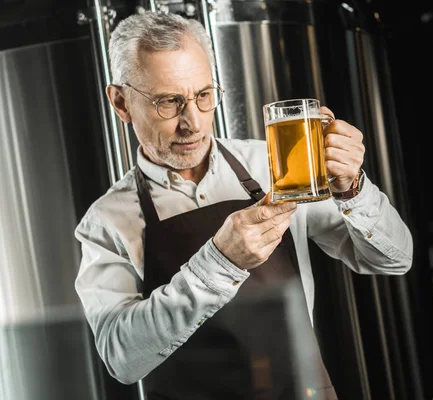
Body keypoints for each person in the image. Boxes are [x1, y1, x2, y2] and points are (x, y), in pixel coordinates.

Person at [74, 11, 413, 400]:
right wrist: (220, 262)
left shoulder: (275, 167)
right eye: (169, 102)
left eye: (203, 96)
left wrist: (353, 189)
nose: (194, 122)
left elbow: (395, 260)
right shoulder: (106, 221)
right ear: (121, 102)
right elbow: (121, 359)